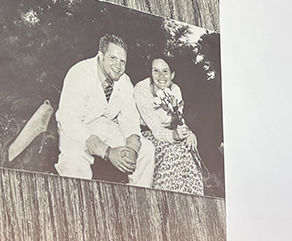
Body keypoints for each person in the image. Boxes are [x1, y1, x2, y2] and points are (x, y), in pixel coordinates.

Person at [54, 34, 154, 185]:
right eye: (113, 58)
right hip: (75, 128)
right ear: (101, 56)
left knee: (146, 149)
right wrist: (107, 152)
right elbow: (69, 119)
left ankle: (139, 199)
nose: (118, 66)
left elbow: (129, 118)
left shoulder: (125, 81)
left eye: (122, 61)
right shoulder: (80, 74)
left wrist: (132, 149)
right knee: (73, 160)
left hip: (103, 124)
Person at [133, 57, 204, 195]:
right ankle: (163, 200)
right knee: (172, 154)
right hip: (146, 134)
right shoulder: (141, 90)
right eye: (156, 71)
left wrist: (188, 132)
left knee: (189, 150)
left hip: (170, 133)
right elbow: (156, 129)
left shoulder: (175, 90)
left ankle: (192, 201)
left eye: (165, 71)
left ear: (172, 74)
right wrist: (174, 136)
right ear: (150, 74)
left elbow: (177, 119)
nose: (161, 76)